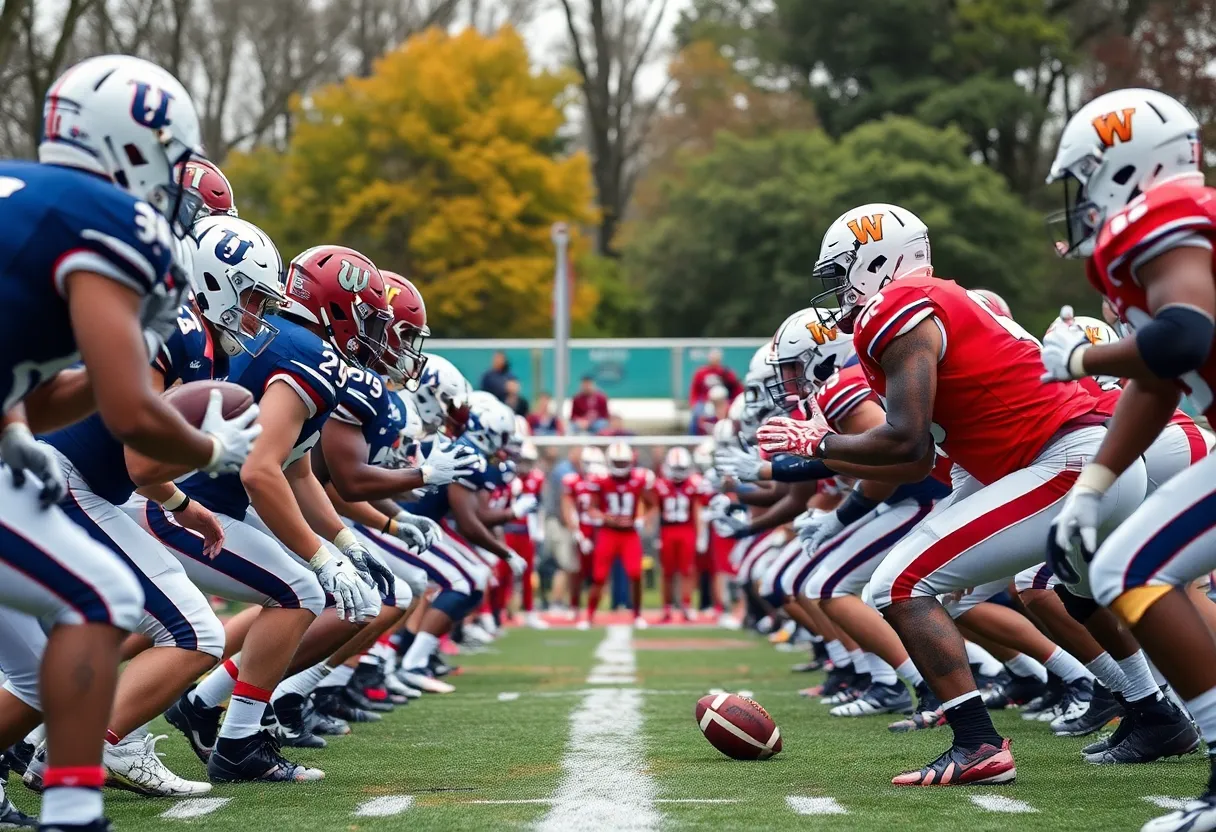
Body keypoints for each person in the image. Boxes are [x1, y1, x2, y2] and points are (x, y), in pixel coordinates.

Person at [757, 201, 1148, 787]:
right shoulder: (938, 303)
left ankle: (977, 744)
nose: (837, 291)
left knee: (900, 584)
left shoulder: (896, 307)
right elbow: (918, 452)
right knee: (1071, 590)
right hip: (1085, 457)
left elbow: (906, 442)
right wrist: (827, 444)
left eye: (842, 273)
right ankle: (1154, 710)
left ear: (878, 263)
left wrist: (820, 445)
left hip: (1068, 460)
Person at [1039, 87, 1216, 832]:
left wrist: (1079, 356)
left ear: (1125, 168)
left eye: (1086, 180)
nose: (1080, 203)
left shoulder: (1164, 214)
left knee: (1129, 571)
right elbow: (1160, 378)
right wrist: (1094, 485)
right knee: (1126, 565)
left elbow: (1181, 338)